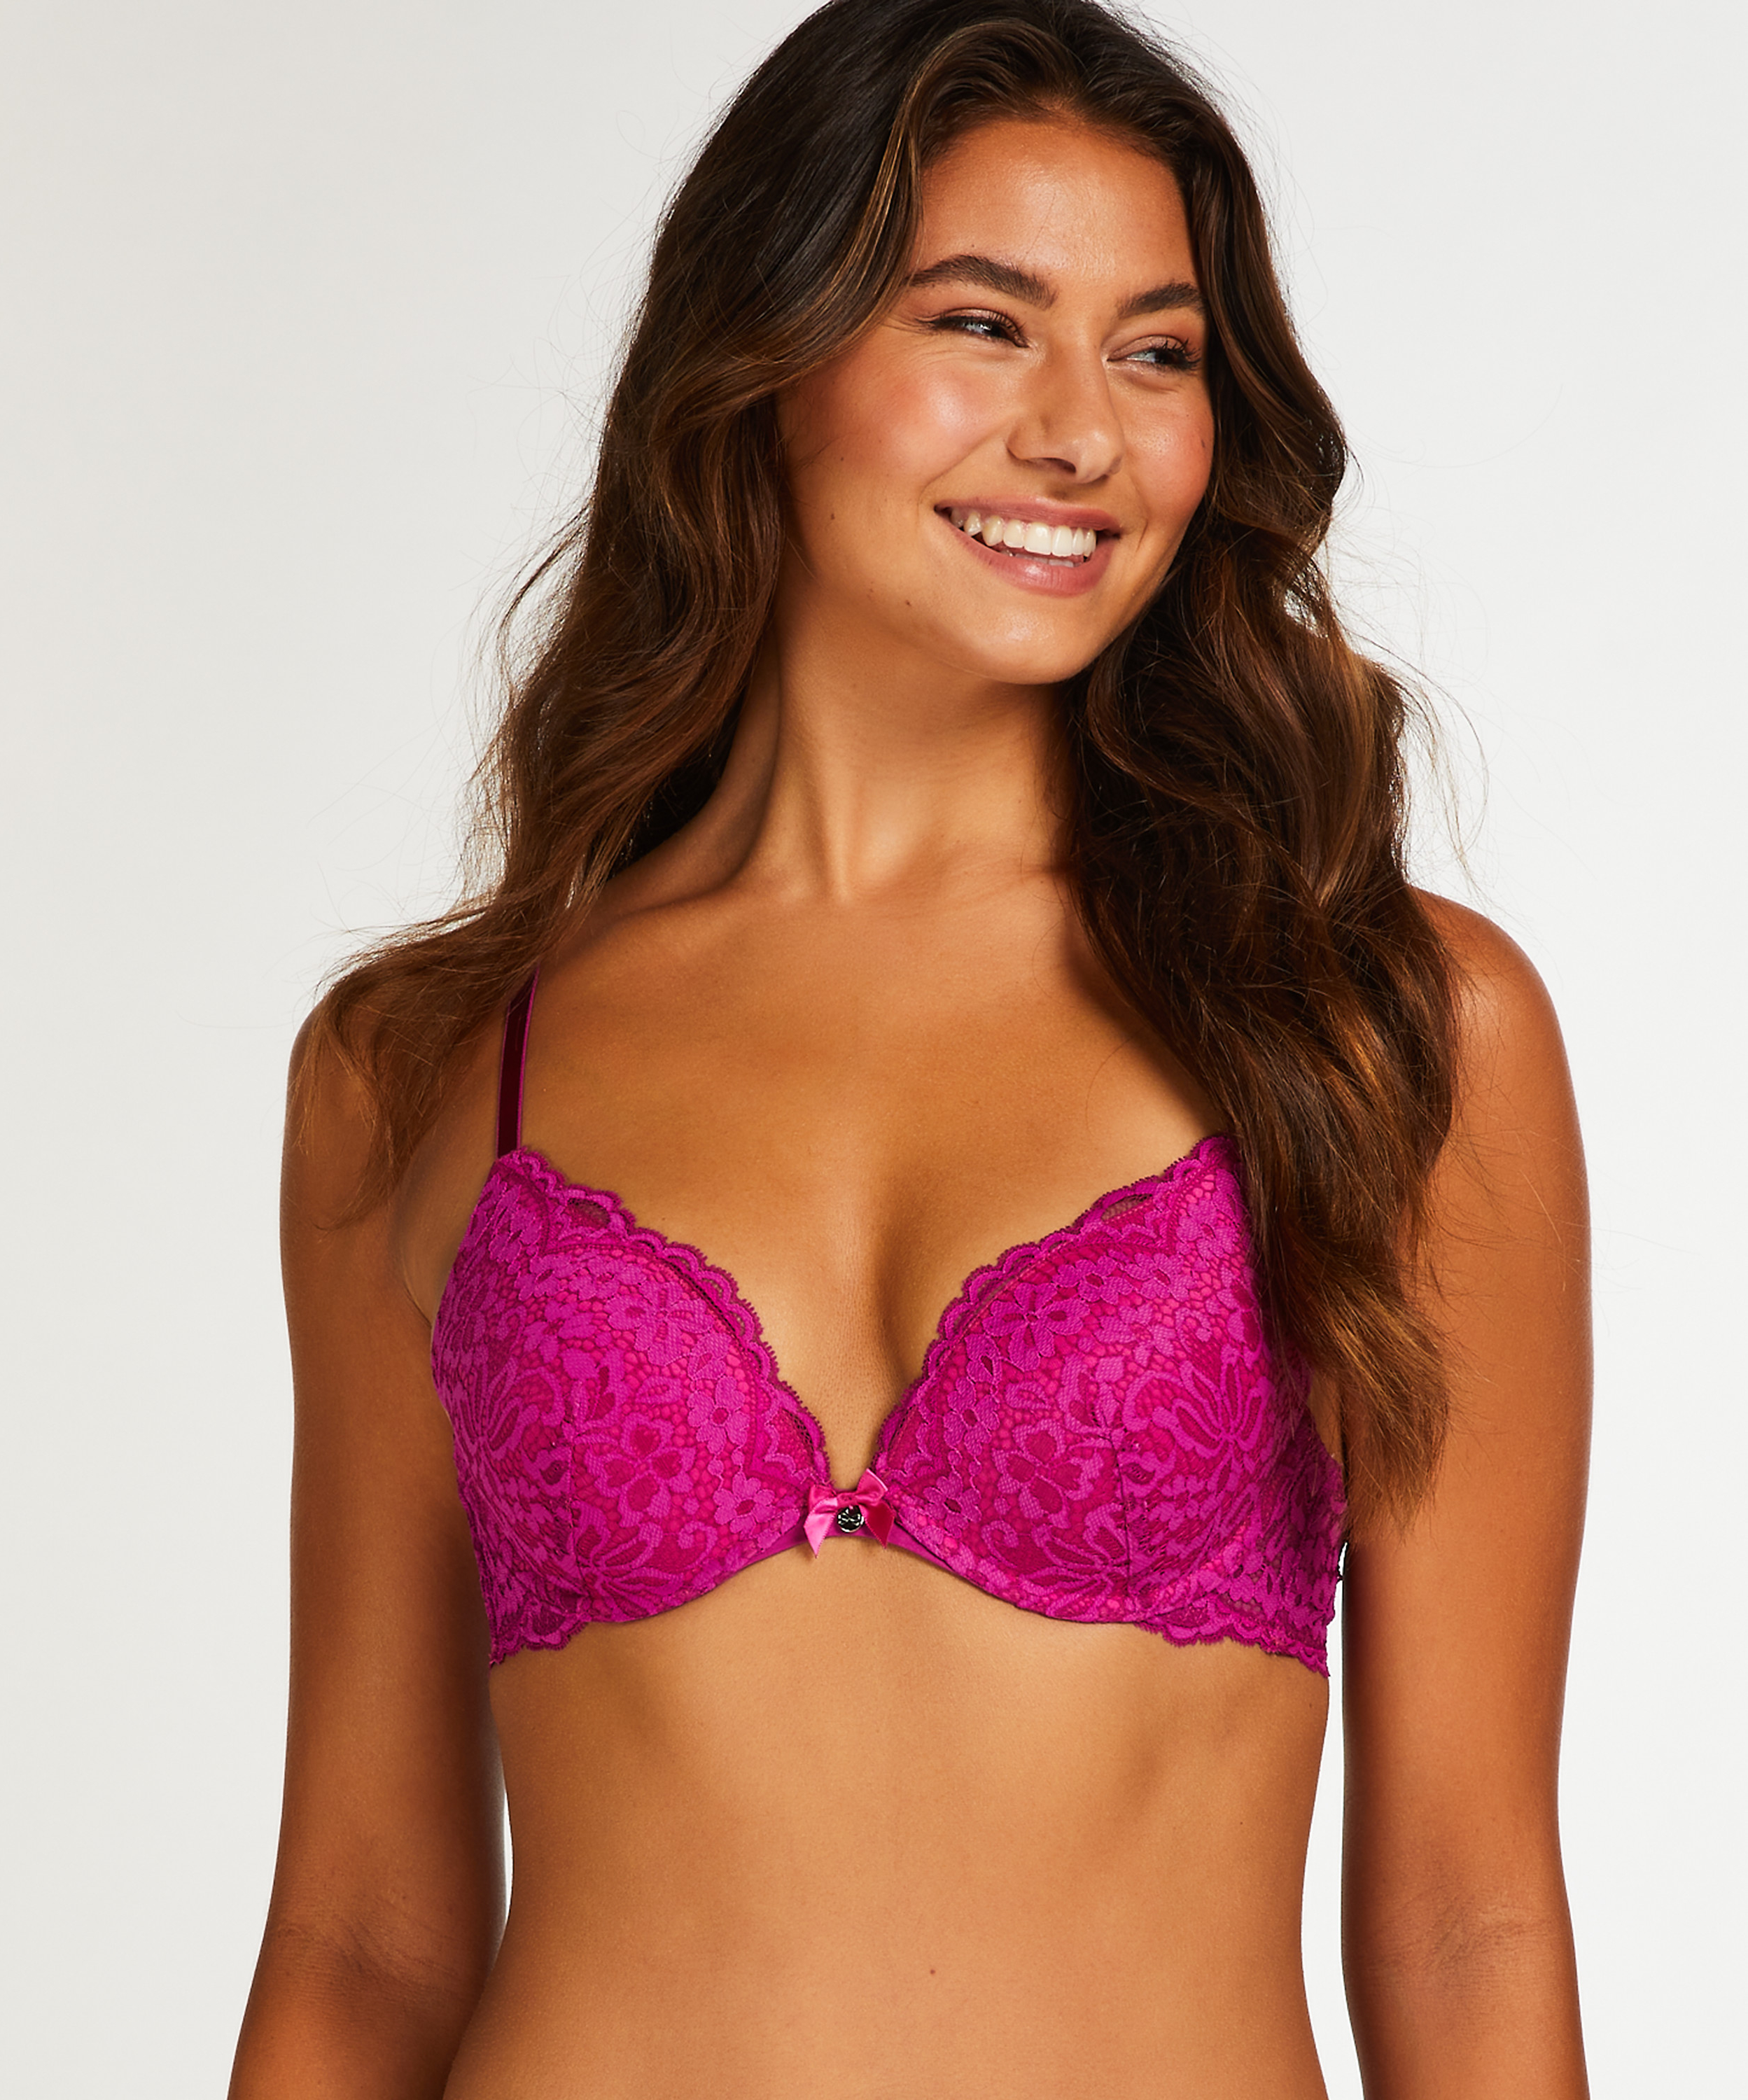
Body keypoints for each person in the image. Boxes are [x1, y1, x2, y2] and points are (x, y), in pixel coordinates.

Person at [229, 1, 1591, 2092]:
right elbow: (361, 1939)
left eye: (1157, 354)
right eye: (982, 324)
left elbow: (1464, 1924)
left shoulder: (1382, 1029)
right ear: (761, 359)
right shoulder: (422, 1068)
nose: (1082, 435)